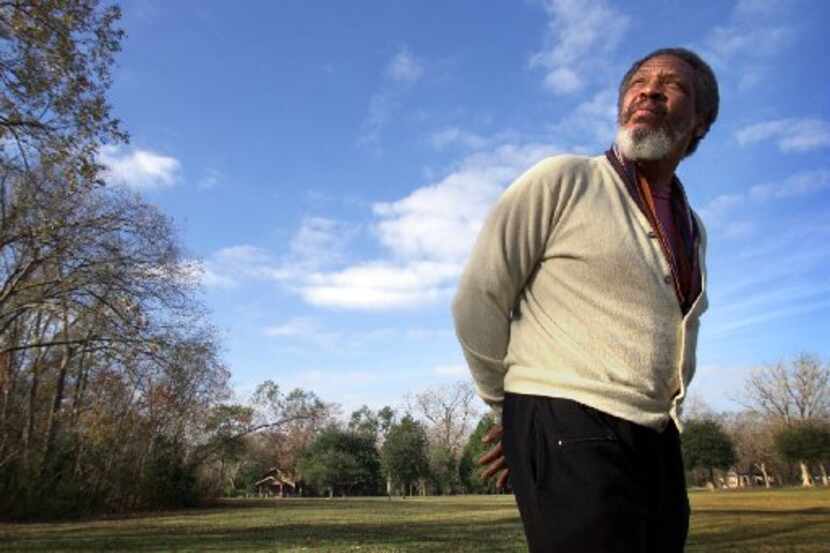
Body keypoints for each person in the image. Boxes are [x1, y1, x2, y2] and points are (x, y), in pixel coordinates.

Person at [451, 47, 718, 553]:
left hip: (658, 435)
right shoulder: (563, 179)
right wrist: (508, 412)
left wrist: (670, 412)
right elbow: (478, 299)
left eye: (672, 84)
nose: (649, 89)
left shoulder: (693, 228)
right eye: (638, 81)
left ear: (701, 121)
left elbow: (685, 330)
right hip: (568, 418)